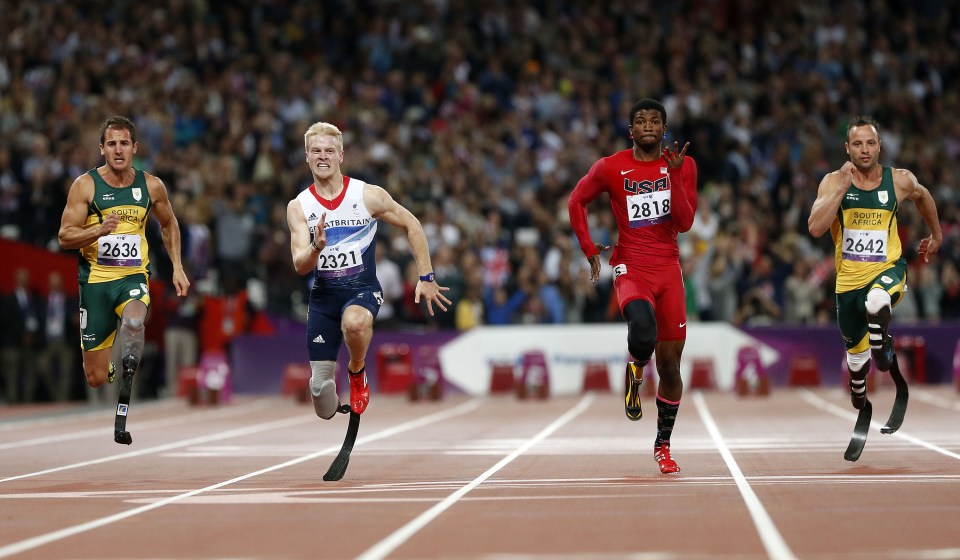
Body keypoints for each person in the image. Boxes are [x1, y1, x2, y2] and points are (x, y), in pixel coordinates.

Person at [287, 121, 451, 420]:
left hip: (361, 289)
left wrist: (426, 277)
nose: (322, 157)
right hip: (323, 299)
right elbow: (300, 265)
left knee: (355, 325)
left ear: (341, 156)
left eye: (328, 151)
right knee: (322, 402)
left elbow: (412, 224)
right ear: (307, 157)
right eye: (316, 151)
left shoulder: (367, 195)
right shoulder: (299, 206)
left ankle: (356, 369)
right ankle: (328, 389)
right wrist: (316, 247)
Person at [568, 98, 698, 474]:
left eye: (655, 121)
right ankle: (636, 368)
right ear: (631, 130)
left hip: (668, 269)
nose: (647, 125)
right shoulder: (610, 167)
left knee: (671, 367)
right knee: (642, 329)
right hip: (631, 266)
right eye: (640, 120)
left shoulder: (683, 165)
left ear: (663, 129)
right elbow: (577, 200)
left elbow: (685, 222)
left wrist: (673, 177)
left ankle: (663, 446)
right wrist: (588, 247)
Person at [808, 115, 941, 413]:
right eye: (857, 144)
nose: (864, 149)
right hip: (847, 284)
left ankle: (884, 351)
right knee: (856, 360)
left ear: (880, 146)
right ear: (847, 148)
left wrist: (936, 234)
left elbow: (924, 196)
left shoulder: (899, 179)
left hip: (888, 269)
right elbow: (815, 228)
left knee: (877, 298)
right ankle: (859, 392)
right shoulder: (832, 182)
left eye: (870, 143)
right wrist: (842, 188)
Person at [58, 116, 190, 400]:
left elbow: (169, 224)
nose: (118, 150)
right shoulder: (85, 186)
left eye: (124, 144)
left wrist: (177, 266)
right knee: (95, 377)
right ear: (102, 149)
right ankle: (108, 368)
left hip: (132, 277)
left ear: (135, 148)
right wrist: (97, 231)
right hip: (95, 282)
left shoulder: (151, 186)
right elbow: (65, 236)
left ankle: (130, 364)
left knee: (133, 321)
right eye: (112, 144)